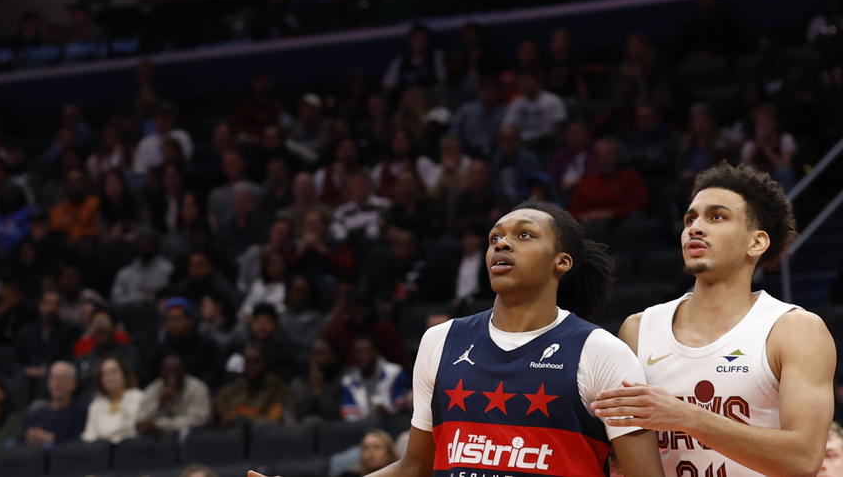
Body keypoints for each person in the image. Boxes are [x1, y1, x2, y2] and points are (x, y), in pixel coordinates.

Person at [249, 202, 665, 477]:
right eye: (495, 237)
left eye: (524, 235)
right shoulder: (441, 341)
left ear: (562, 262)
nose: (501, 242)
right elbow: (414, 467)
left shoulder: (601, 352)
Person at [594, 164, 836, 477]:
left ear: (756, 242)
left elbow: (803, 460)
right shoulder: (639, 329)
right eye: (690, 218)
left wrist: (687, 417)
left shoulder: (794, 330)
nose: (695, 227)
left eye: (717, 216)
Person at [135, 354, 211, 437]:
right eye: (167, 370)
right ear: (161, 371)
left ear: (183, 371)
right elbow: (140, 421)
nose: (172, 375)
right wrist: (159, 403)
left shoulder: (197, 388)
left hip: (190, 437)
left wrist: (160, 425)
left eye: (176, 370)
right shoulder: (154, 388)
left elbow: (199, 420)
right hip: (157, 438)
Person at [81, 356, 144, 444]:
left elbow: (133, 429)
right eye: (105, 374)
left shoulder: (137, 397)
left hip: (129, 448)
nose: (109, 377)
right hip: (101, 452)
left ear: (124, 375)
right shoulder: (96, 404)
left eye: (114, 372)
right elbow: (89, 434)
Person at [24, 362, 87, 448]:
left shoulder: (81, 411)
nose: (57, 383)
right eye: (53, 378)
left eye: (62, 379)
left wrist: (51, 439)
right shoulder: (38, 412)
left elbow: (78, 443)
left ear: (74, 383)